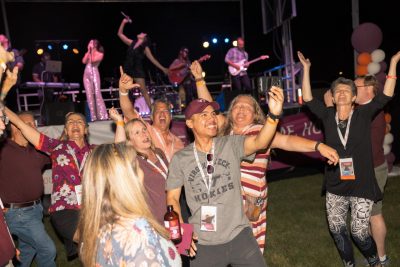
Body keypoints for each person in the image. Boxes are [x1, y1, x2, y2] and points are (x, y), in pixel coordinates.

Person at [190, 60, 339, 252]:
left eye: (247, 107)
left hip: (249, 200)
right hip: (219, 198)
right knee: (216, 247)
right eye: (237, 106)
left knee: (247, 248)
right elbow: (208, 109)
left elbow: (286, 141)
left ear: (255, 114)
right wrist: (199, 80)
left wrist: (317, 145)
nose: (242, 110)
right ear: (230, 111)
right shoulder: (224, 131)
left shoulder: (261, 131)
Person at [297, 50, 399, 267]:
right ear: (332, 98)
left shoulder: (363, 114)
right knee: (337, 229)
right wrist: (305, 70)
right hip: (336, 184)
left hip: (362, 183)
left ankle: (375, 261)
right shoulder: (326, 115)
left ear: (354, 98)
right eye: (338, 91)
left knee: (359, 232)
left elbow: (386, 96)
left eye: (347, 90)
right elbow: (307, 98)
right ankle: (349, 264)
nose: (342, 93)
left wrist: (393, 64)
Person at [166, 84, 285, 266]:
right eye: (204, 115)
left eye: (213, 114)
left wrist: (273, 116)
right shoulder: (180, 158)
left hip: (240, 236)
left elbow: (260, 142)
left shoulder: (230, 144)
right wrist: (183, 236)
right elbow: (173, 199)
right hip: (203, 243)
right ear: (190, 123)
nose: (212, 119)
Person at [5, 108, 94, 261]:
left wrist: (119, 122)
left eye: (79, 122)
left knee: (90, 250)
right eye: (70, 122)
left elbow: (120, 149)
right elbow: (20, 124)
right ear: (66, 130)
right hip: (64, 209)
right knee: (91, 243)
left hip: (91, 207)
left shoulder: (95, 151)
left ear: (86, 129)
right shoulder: (56, 147)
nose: (75, 124)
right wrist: (2, 104)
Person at [76, 143, 181, 266]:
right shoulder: (137, 233)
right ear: (128, 179)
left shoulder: (94, 228)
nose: (142, 172)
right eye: (137, 166)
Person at [0, 111, 57, 267]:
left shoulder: (36, 150)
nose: (33, 126)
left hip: (36, 209)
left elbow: (58, 152)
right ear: (15, 126)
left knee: (28, 249)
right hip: (16, 213)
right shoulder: (3, 148)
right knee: (48, 249)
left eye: (34, 123)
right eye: (28, 123)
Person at [110, 108, 169, 224]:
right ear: (130, 141)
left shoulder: (159, 153)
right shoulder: (133, 160)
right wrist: (119, 121)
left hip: (172, 214)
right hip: (152, 221)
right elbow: (119, 149)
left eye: (144, 130)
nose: (144, 134)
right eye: (137, 133)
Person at [354, 75, 390, 265]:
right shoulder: (361, 109)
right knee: (365, 215)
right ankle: (374, 256)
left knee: (374, 214)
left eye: (355, 86)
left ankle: (382, 259)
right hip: (362, 170)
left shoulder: (374, 111)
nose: (352, 88)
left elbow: (370, 148)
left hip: (373, 170)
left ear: (368, 88)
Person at [119, 67, 184, 162]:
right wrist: (123, 92)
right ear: (151, 117)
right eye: (158, 111)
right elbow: (129, 113)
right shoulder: (146, 131)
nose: (162, 114)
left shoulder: (178, 143)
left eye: (166, 111)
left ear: (171, 117)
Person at [117, 17, 169, 110]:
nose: (140, 33)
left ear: (144, 38)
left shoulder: (145, 48)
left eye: (142, 33)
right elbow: (119, 34)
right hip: (128, 69)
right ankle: (128, 112)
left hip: (137, 70)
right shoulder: (131, 43)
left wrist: (163, 68)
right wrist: (123, 22)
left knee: (144, 91)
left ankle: (153, 112)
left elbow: (153, 60)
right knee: (126, 91)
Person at [82, 39, 108, 121]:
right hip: (86, 74)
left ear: (96, 44)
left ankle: (102, 115)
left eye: (91, 43)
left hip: (94, 72)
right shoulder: (88, 53)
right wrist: (88, 51)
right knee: (89, 95)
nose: (90, 44)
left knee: (97, 94)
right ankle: (93, 116)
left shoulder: (100, 53)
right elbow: (83, 61)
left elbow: (93, 61)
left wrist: (92, 51)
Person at [32, 52, 60, 125]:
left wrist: (54, 84)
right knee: (43, 103)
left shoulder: (52, 65)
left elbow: (55, 77)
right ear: (42, 59)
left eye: (49, 59)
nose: (48, 61)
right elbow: (35, 77)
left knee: (51, 103)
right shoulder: (37, 66)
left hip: (50, 88)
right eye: (46, 59)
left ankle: (52, 119)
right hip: (41, 88)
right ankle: (43, 121)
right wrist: (42, 83)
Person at [0, 34, 24, 112]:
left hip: (10, 81)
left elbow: (20, 65)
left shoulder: (14, 51)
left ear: (6, 40)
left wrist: (12, 69)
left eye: (1, 36)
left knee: (11, 104)